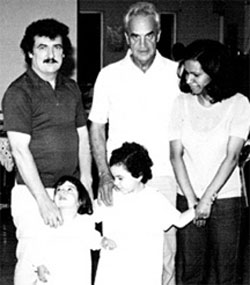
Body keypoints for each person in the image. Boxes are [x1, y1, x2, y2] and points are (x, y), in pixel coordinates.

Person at [89, 3, 180, 284]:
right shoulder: (109, 75)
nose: (142, 44)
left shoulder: (177, 74)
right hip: (119, 181)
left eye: (149, 35)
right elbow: (97, 127)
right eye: (135, 36)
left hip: (164, 177)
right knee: (118, 254)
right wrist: (104, 175)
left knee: (164, 256)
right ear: (127, 37)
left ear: (159, 35)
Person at [2, 19, 92, 285]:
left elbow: (82, 135)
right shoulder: (18, 92)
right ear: (30, 52)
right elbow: (19, 150)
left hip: (70, 191)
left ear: (65, 53)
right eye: (42, 47)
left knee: (66, 263)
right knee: (33, 263)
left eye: (57, 47)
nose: (50, 54)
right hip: (33, 193)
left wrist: (86, 180)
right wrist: (43, 200)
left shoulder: (71, 88)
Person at [168, 39, 250, 284]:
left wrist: (207, 199)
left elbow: (232, 156)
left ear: (215, 74)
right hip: (188, 196)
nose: (188, 80)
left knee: (225, 274)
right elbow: (175, 156)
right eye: (186, 74)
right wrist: (193, 200)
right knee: (190, 273)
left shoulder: (239, 104)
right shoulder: (180, 103)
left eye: (196, 75)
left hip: (226, 200)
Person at [94, 142, 195, 285]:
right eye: (114, 177)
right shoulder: (109, 197)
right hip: (112, 273)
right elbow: (86, 218)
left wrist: (200, 206)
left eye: (120, 178)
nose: (115, 182)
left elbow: (179, 220)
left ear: (139, 175)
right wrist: (98, 239)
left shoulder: (154, 199)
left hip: (143, 274)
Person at [29, 176, 101, 285]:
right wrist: (39, 264)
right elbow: (37, 245)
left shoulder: (84, 222)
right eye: (58, 190)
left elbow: (93, 240)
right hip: (51, 275)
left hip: (76, 275)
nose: (62, 192)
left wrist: (102, 241)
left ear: (80, 201)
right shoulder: (49, 222)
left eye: (69, 189)